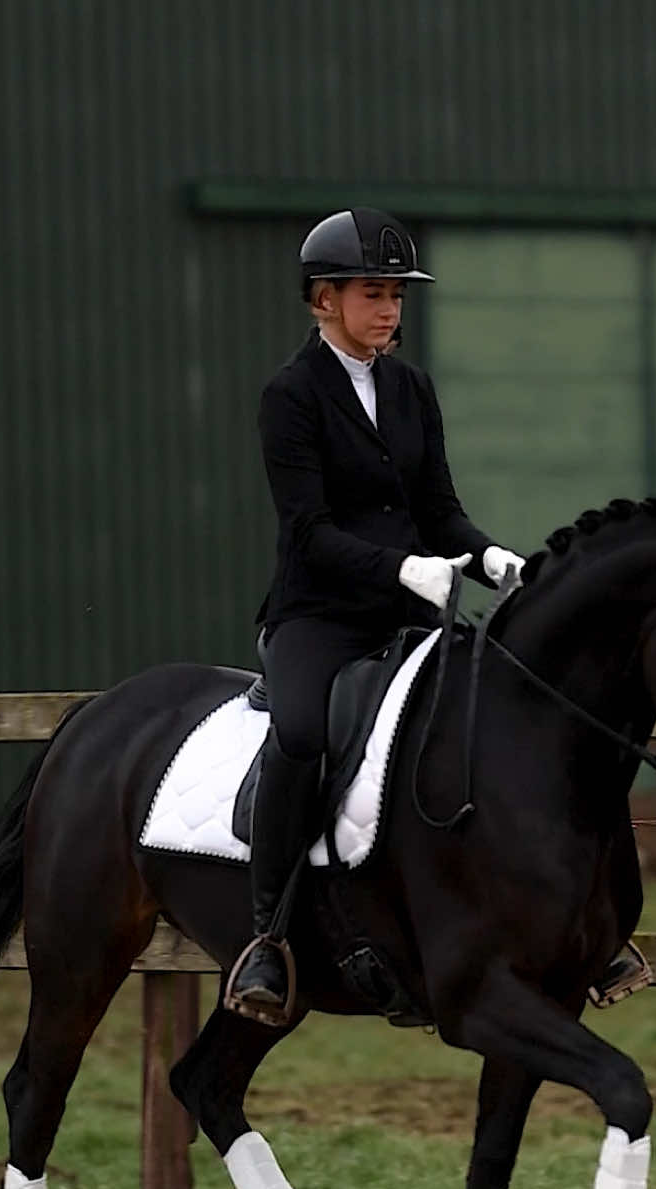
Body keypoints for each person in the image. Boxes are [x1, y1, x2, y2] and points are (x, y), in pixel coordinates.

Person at [225, 207, 525, 1023]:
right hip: (319, 615)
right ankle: (267, 939)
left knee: (485, 716)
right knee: (302, 733)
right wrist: (402, 566)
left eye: (397, 294)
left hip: (412, 607)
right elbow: (309, 531)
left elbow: (440, 509)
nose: (390, 309)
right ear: (323, 300)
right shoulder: (290, 396)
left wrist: (492, 557)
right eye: (373, 293)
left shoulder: (411, 387)